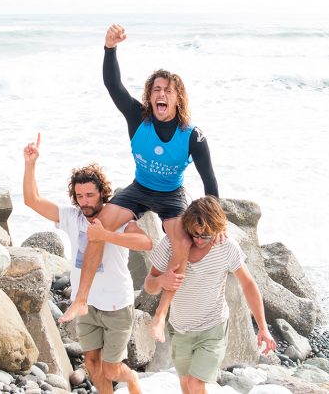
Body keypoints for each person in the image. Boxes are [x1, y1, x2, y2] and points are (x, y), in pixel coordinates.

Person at [60, 24, 220, 344]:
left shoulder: (192, 136)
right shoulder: (138, 118)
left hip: (171, 193)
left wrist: (217, 223)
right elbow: (113, 84)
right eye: (156, 90)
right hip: (139, 187)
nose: (161, 95)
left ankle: (161, 316)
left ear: (178, 98)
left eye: (168, 91)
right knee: (98, 227)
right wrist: (109, 48)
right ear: (150, 96)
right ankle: (81, 298)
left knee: (182, 242)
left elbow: (209, 180)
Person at [23, 133, 150, 394]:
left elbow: (144, 242)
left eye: (90, 195)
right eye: (79, 196)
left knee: (112, 369)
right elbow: (31, 201)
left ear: (103, 193)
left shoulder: (118, 217)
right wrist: (30, 164)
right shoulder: (72, 217)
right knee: (92, 364)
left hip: (116, 304)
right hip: (86, 305)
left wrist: (106, 235)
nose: (85, 202)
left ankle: (134, 381)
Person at [144, 196, 276, 394]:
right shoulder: (171, 244)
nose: (198, 240)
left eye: (205, 235)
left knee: (196, 385)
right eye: (194, 234)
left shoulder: (226, 247)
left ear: (218, 228)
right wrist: (161, 281)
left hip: (212, 328)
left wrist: (263, 328)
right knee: (186, 385)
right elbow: (149, 286)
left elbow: (248, 285)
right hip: (180, 328)